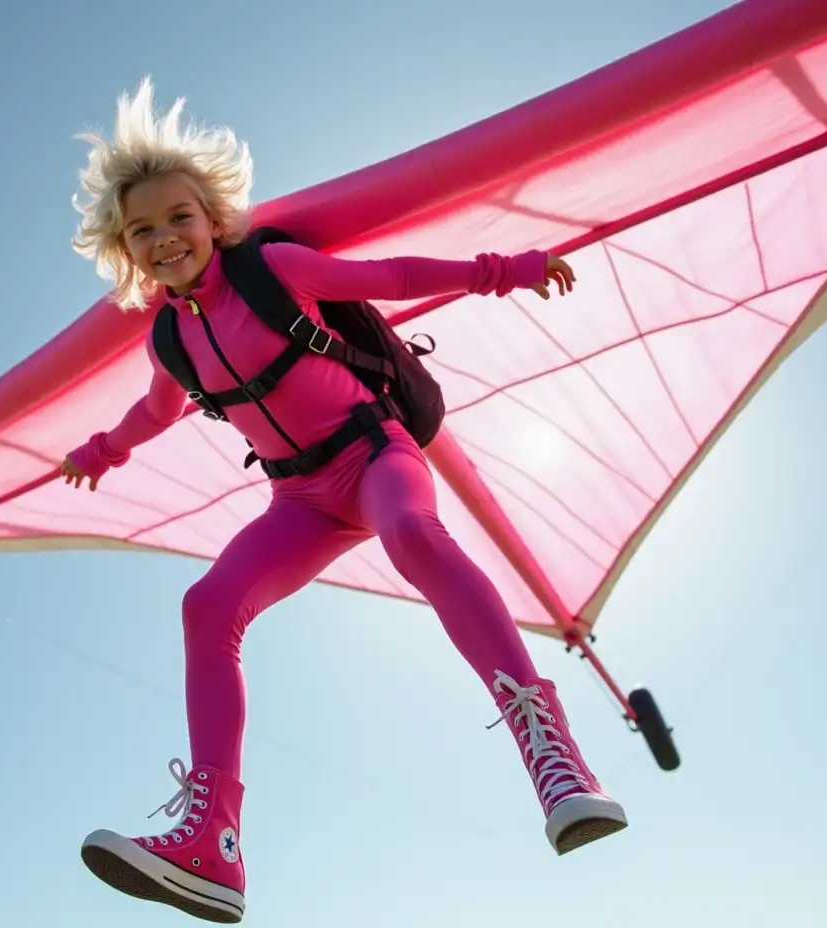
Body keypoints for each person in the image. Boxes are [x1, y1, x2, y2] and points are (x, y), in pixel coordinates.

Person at [62, 78, 627, 924]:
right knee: (207, 604)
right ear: (128, 251)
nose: (164, 236)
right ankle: (213, 840)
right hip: (302, 501)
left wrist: (503, 270)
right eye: (142, 230)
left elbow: (385, 273)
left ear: (213, 218)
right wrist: (101, 452)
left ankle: (555, 758)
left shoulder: (271, 268)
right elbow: (156, 410)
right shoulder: (170, 335)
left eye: (178, 216)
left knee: (412, 534)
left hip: (373, 455)